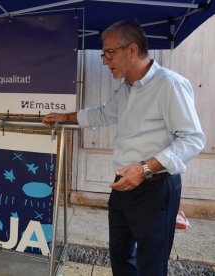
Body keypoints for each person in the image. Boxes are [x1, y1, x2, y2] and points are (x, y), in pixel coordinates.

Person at [43, 21, 205, 275]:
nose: (105, 61)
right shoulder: (127, 88)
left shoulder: (169, 84)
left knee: (151, 262)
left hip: (154, 185)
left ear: (131, 49)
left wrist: (144, 168)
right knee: (119, 253)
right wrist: (66, 117)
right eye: (103, 54)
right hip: (123, 183)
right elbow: (105, 114)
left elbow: (192, 139)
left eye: (109, 53)